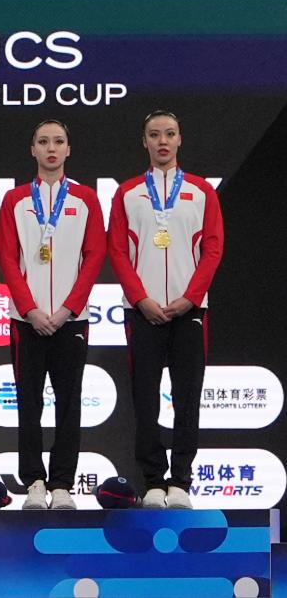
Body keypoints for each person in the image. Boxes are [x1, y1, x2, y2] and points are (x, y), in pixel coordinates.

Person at [108, 111, 223, 509]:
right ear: (144, 141)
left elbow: (213, 248)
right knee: (145, 398)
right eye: (155, 134)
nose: (162, 141)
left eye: (169, 134)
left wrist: (191, 297)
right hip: (143, 312)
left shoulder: (201, 191)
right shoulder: (127, 193)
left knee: (187, 397)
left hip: (189, 311)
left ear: (179, 139)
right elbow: (117, 251)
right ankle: (154, 480)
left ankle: (182, 481)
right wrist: (141, 298)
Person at [0, 120, 106, 510]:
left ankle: (62, 484)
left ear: (68, 149)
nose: (51, 148)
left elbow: (94, 256)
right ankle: (34, 482)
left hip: (70, 319)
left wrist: (66, 310)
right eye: (43, 141)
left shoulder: (86, 199)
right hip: (25, 320)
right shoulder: (14, 200)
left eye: (58, 141)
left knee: (69, 402)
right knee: (28, 403)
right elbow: (8, 257)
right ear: (33, 149)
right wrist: (30, 309)